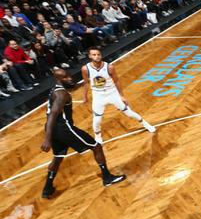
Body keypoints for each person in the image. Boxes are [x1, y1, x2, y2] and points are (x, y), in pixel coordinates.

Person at [40, 69, 126, 199]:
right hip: (64, 128)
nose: (70, 78)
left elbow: (72, 86)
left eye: (69, 75)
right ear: (59, 79)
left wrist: (85, 81)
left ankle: (47, 189)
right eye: (66, 77)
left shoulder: (56, 89)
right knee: (96, 147)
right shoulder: (61, 94)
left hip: (54, 130)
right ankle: (107, 178)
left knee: (58, 157)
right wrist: (47, 139)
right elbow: (52, 115)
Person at [81, 48, 155, 144]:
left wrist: (122, 96)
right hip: (98, 95)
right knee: (97, 119)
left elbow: (116, 81)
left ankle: (145, 124)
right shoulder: (85, 69)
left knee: (129, 113)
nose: (97, 56)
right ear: (90, 56)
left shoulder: (109, 67)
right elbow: (85, 83)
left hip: (112, 93)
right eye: (94, 55)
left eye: (98, 54)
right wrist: (85, 96)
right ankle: (98, 136)